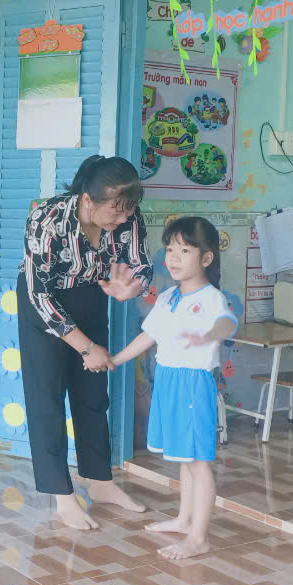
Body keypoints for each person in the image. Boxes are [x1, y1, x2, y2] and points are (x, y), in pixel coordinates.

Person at [18, 154, 153, 531]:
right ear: (88, 200)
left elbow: (141, 264)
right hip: (44, 305)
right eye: (116, 211)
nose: (124, 219)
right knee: (46, 399)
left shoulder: (128, 216)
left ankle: (100, 482)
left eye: (129, 211)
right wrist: (87, 347)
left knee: (93, 396)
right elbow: (40, 294)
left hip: (91, 297)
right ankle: (62, 496)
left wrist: (132, 287)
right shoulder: (47, 218)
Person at [111, 216, 237, 560]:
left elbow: (228, 322)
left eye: (184, 251)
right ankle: (184, 519)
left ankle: (199, 538)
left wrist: (211, 335)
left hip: (193, 383)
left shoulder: (212, 299)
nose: (174, 258)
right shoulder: (168, 297)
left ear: (206, 258)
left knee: (198, 461)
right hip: (168, 379)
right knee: (183, 456)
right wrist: (115, 360)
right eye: (170, 250)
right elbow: (148, 336)